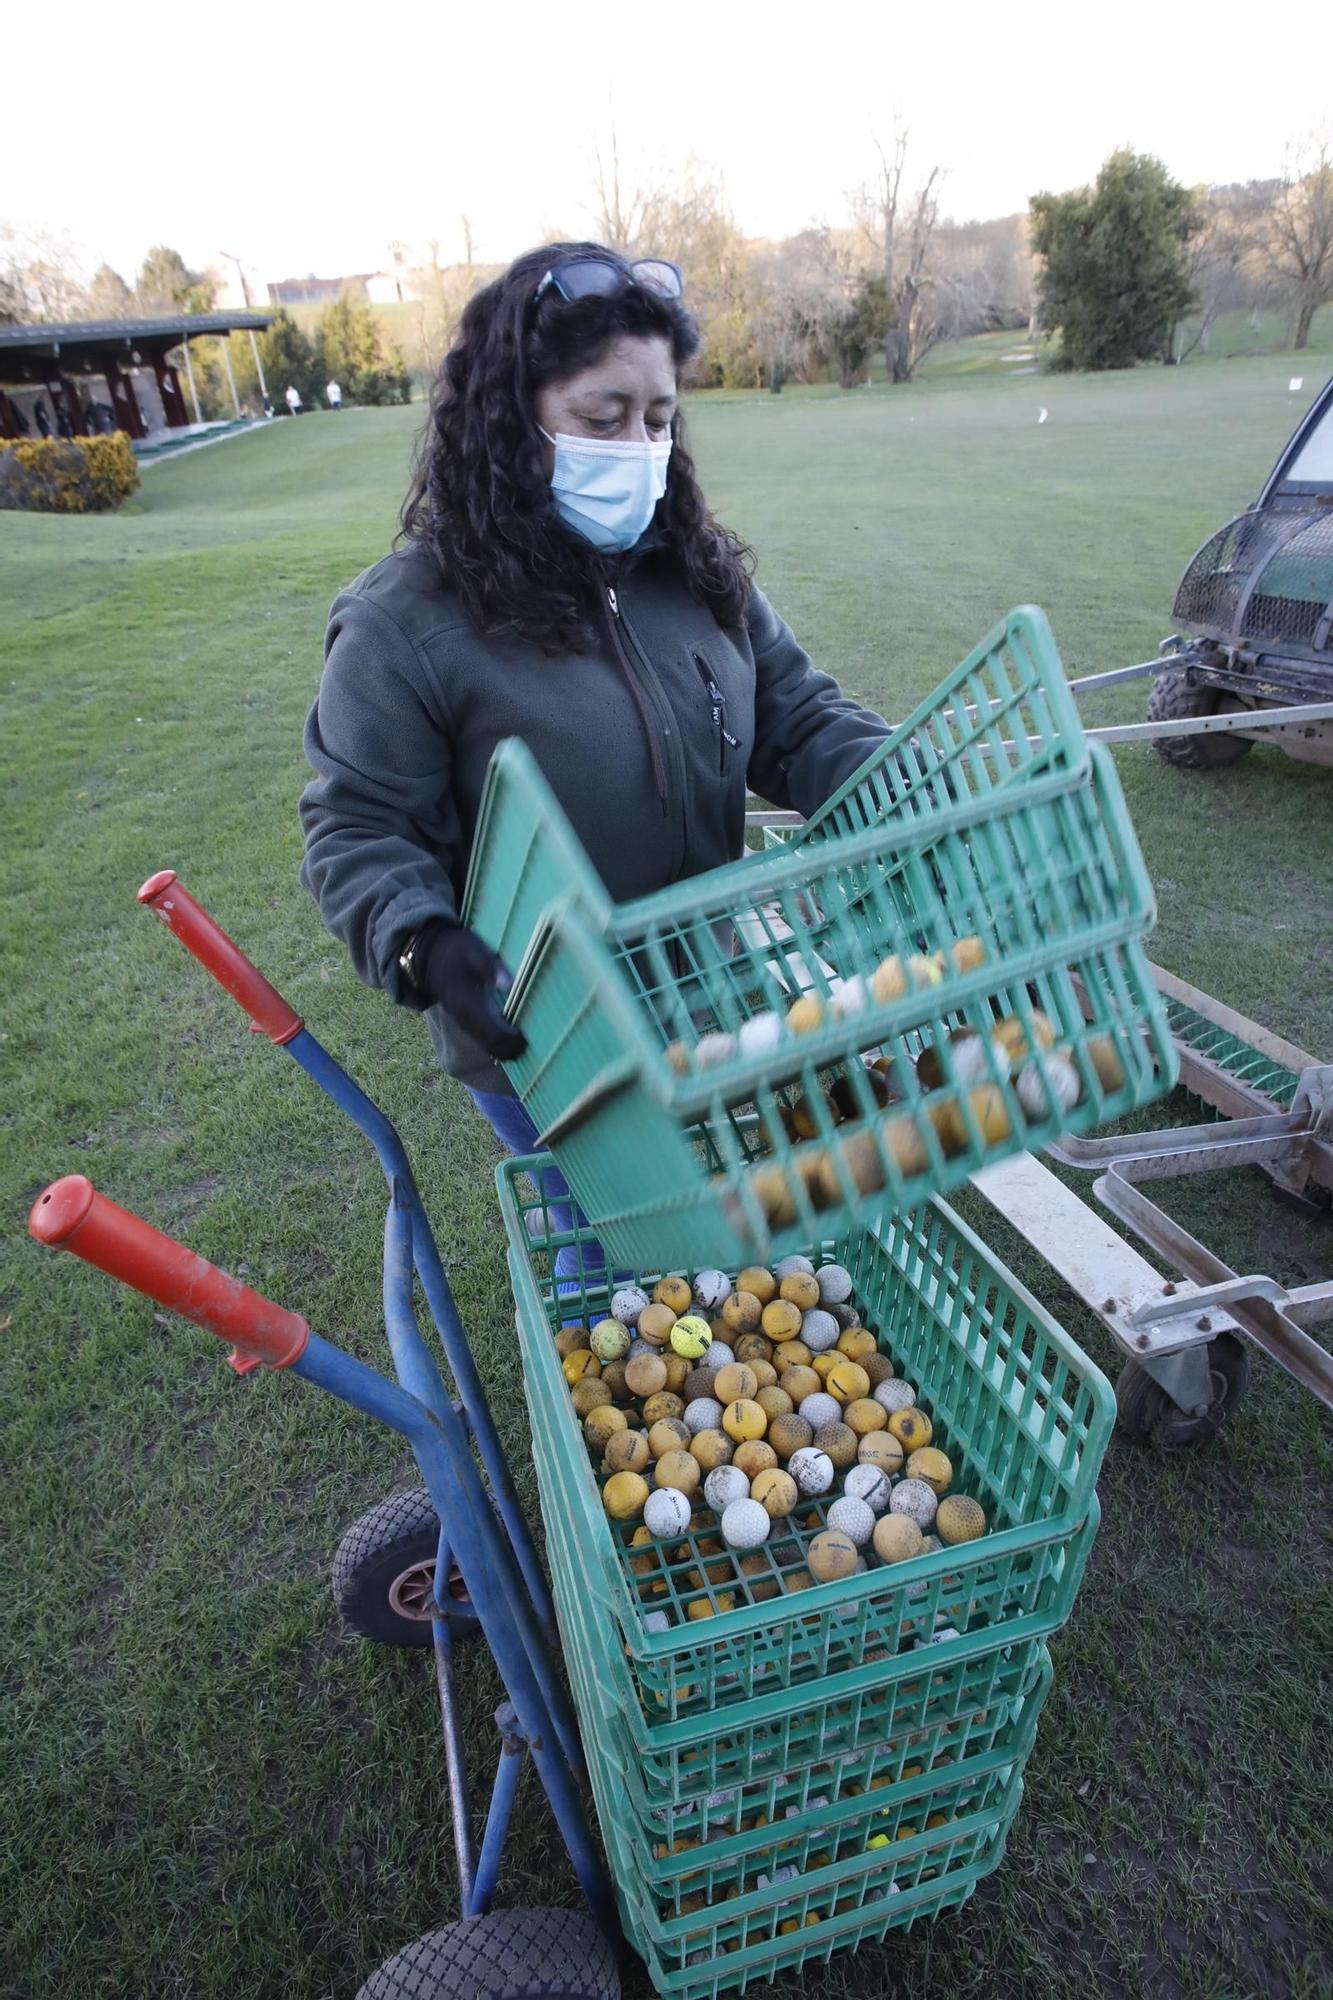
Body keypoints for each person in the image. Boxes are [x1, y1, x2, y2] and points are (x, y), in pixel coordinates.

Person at [299, 241, 889, 1268]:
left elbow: (793, 715)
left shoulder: (695, 570)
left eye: (658, 419)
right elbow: (357, 825)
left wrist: (894, 776)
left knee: (729, 1244)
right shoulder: (404, 622)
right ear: (511, 421)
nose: (638, 447)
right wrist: (421, 939)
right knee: (623, 1261)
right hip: (553, 1048)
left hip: (704, 997)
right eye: (602, 417)